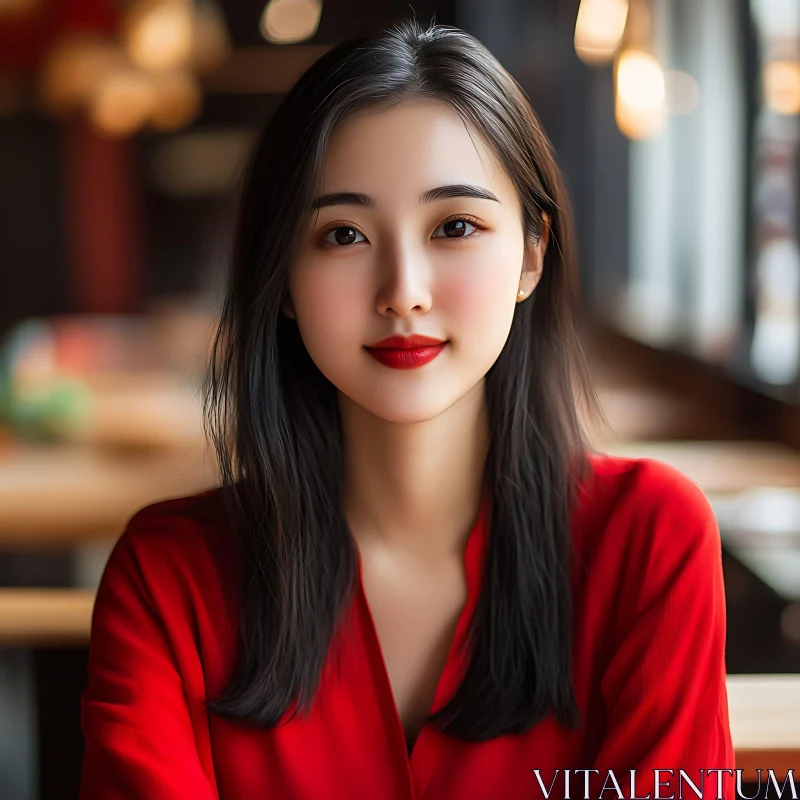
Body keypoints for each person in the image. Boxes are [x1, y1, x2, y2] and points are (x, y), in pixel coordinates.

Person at [79, 18, 735, 800]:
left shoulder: (648, 541)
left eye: (455, 226)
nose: (403, 292)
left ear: (531, 252)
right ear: (280, 278)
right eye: (344, 234)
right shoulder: (169, 578)